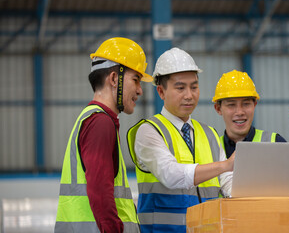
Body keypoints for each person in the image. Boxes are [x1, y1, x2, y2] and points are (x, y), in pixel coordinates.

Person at [127, 47, 234, 233]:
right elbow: (171, 175)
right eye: (180, 88)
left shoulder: (210, 134)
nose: (189, 95)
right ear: (161, 92)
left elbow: (227, 183)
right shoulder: (149, 131)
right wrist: (225, 165)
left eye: (194, 87)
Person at [55, 37, 153, 233]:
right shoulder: (100, 123)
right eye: (136, 80)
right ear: (114, 78)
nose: (140, 90)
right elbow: (100, 193)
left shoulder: (92, 119)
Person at [213, 70, 287, 158]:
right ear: (218, 108)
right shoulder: (212, 149)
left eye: (246, 104)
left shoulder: (276, 143)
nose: (240, 112)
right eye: (231, 105)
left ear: (254, 105)